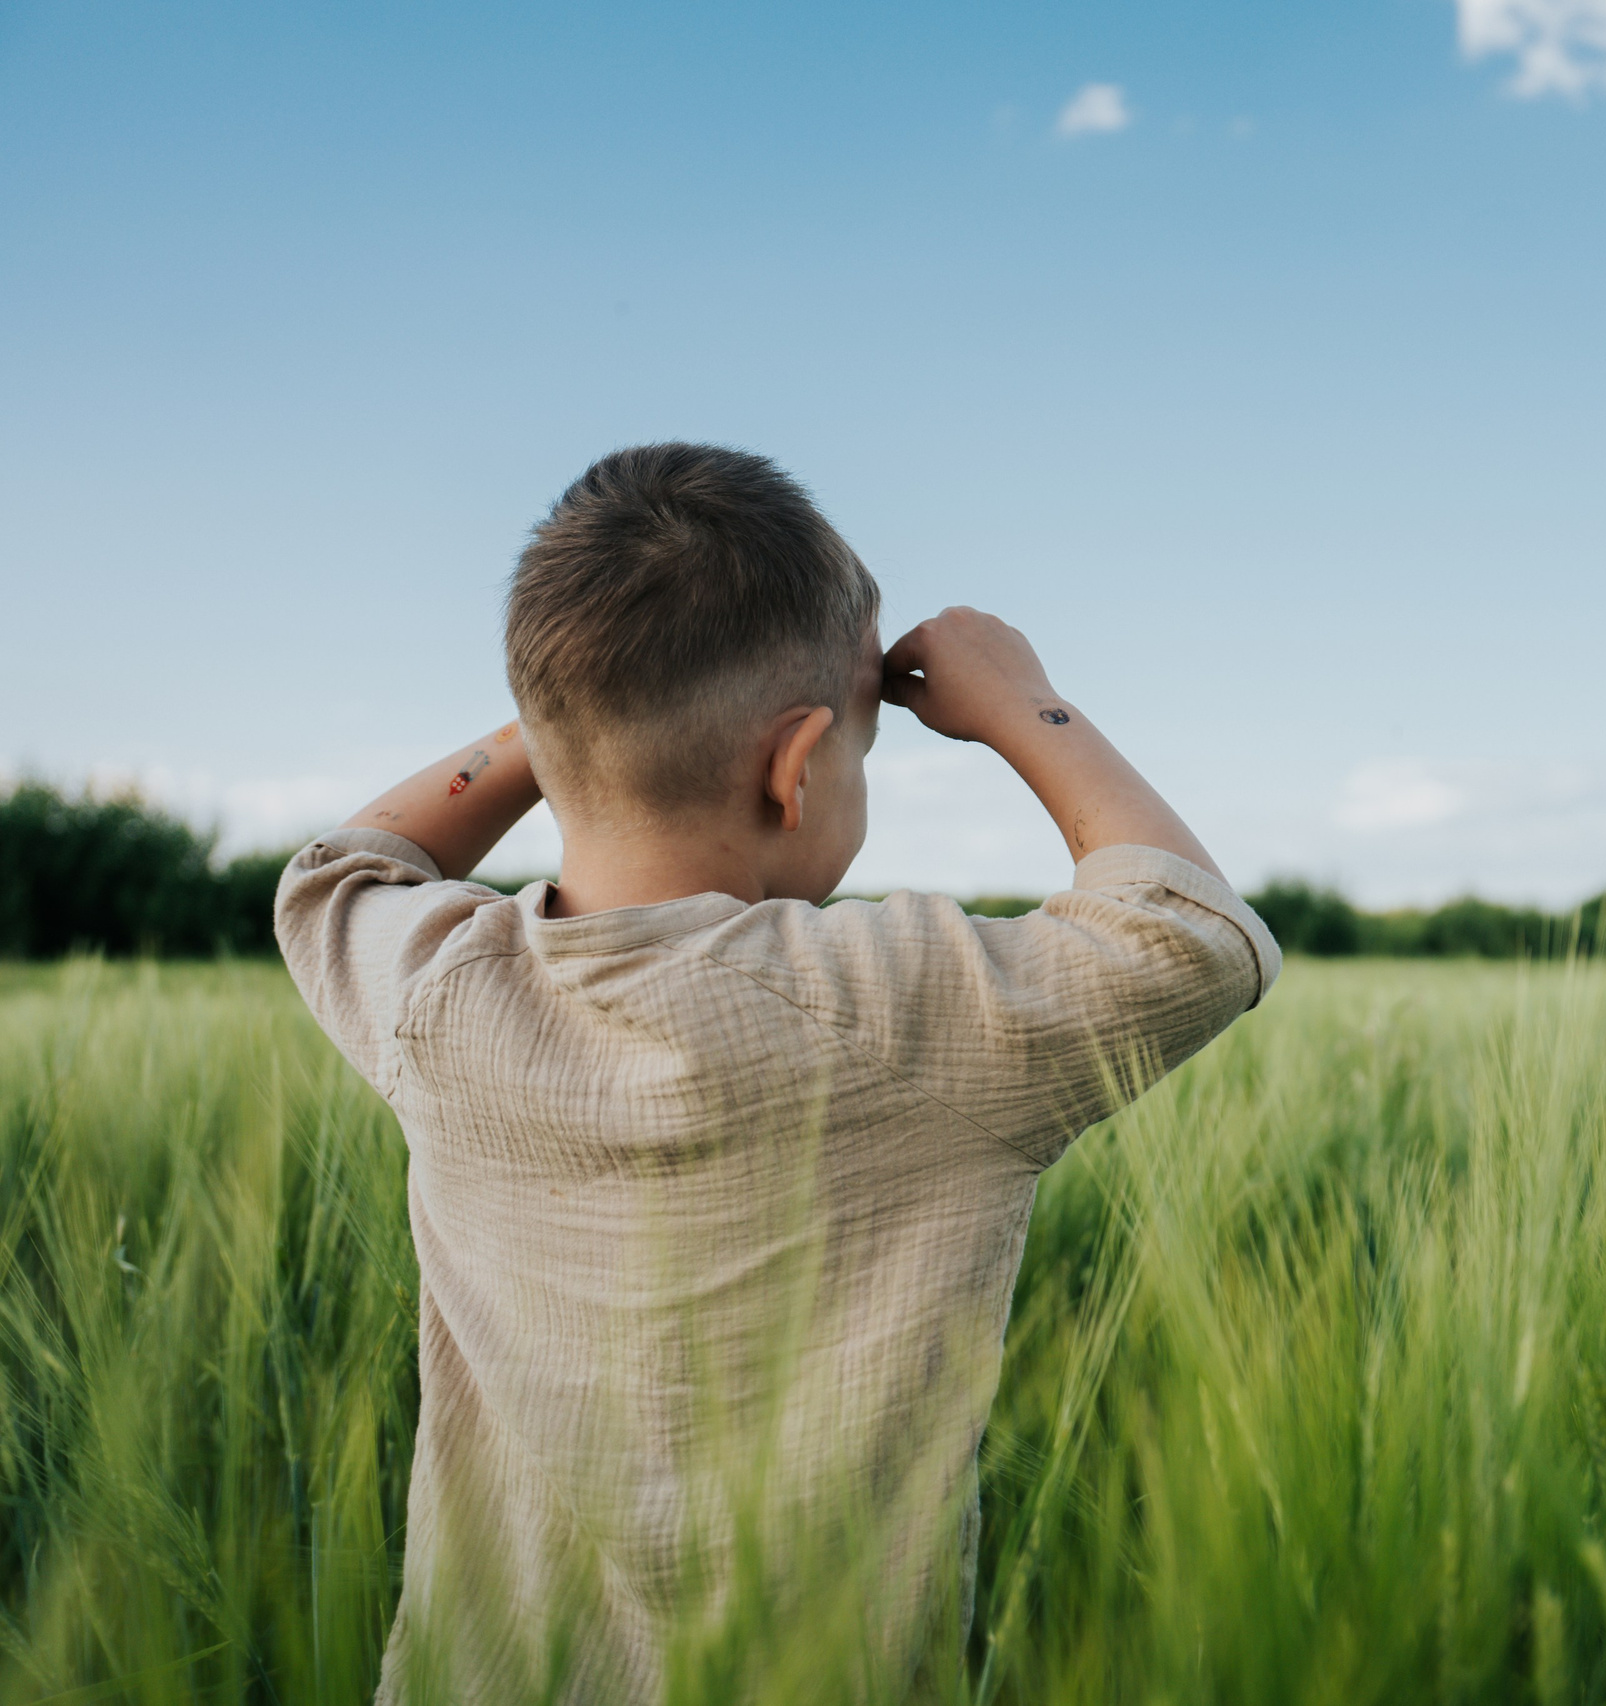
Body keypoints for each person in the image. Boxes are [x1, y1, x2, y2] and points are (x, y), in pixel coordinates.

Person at [274, 444, 1279, 1700]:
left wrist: (564, 724)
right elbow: (1189, 930)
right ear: (795, 768)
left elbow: (338, 870)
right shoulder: (889, 1009)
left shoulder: (432, 983)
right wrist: (1026, 704)